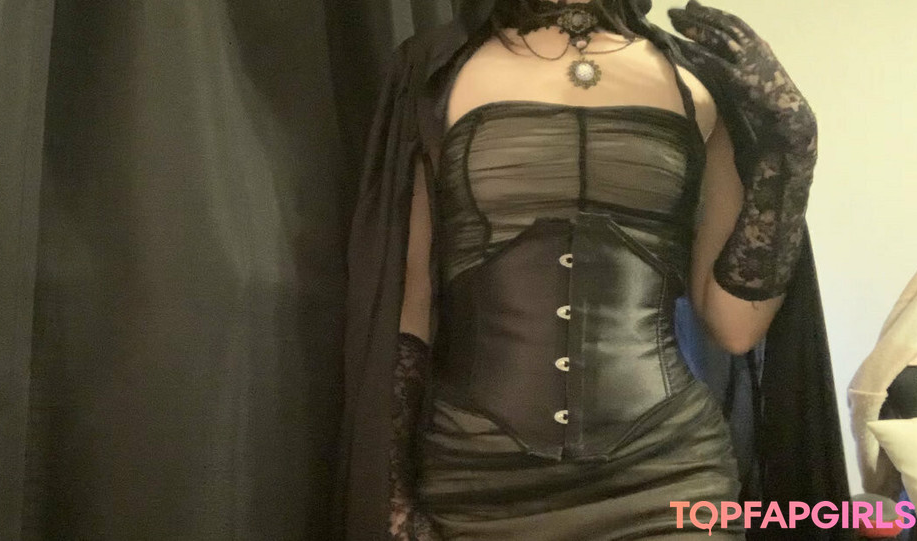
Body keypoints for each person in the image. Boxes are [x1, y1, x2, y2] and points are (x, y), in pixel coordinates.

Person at [332, 1, 851, 539]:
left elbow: (735, 326)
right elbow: (408, 303)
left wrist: (790, 151)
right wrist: (392, 500)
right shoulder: (437, 73)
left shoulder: (698, 83)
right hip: (477, 481)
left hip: (668, 476)